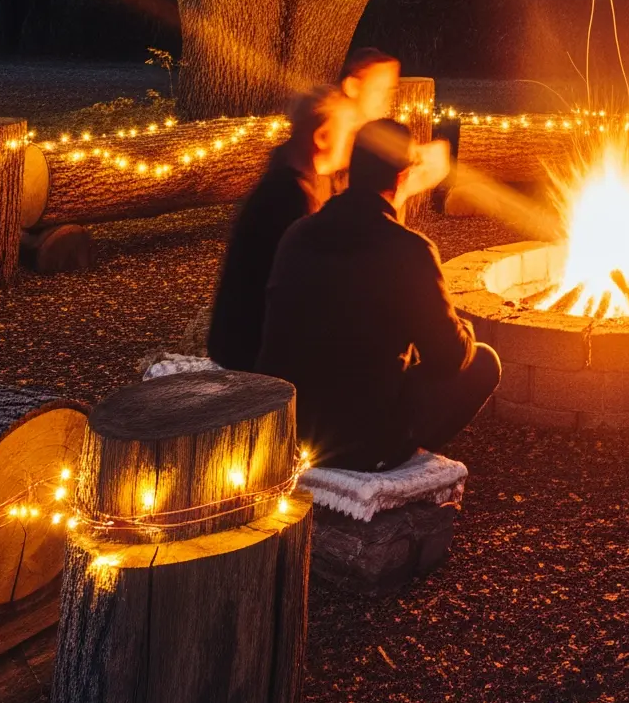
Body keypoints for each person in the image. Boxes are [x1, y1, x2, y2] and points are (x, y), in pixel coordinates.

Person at [259, 118, 500, 468]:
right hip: (362, 442)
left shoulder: (297, 235)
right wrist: (464, 328)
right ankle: (391, 461)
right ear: (402, 178)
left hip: (288, 427)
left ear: (349, 174)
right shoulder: (410, 249)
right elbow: (448, 357)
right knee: (482, 361)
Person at [207, 84, 356, 372]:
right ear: (322, 136)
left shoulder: (295, 178)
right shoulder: (288, 197)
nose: (352, 141)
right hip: (251, 353)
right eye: (348, 132)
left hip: (244, 342)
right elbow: (307, 289)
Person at [338, 45, 402, 132]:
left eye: (390, 90)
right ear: (352, 86)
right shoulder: (334, 137)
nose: (386, 98)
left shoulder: (374, 135)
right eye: (378, 89)